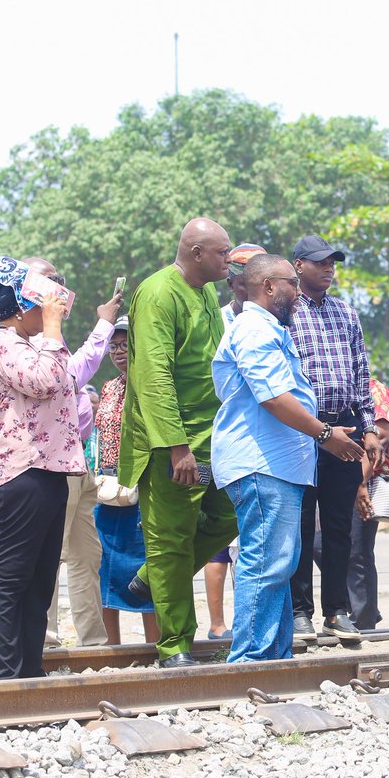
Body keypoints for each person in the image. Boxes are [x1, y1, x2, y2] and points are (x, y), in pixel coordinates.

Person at [212, 254, 363, 662]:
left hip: (277, 465)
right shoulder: (254, 329)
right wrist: (326, 435)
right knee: (266, 562)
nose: (299, 293)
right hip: (262, 464)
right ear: (269, 286)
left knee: (279, 562)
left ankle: (274, 658)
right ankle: (249, 662)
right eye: (292, 284)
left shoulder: (269, 329)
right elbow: (275, 399)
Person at [119, 218, 240, 668]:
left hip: (214, 440)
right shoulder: (157, 294)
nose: (229, 260)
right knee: (169, 540)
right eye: (222, 252)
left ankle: (153, 576)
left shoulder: (207, 291)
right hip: (173, 445)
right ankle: (175, 646)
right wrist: (176, 446)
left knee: (229, 515)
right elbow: (153, 377)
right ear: (196, 253)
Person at [0, 257, 85, 680]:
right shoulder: (0, 343)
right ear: (20, 305)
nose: (48, 311)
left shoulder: (26, 344)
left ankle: (29, 671)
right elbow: (45, 382)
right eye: (41, 303)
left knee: (38, 583)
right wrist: (53, 328)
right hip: (18, 474)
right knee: (10, 578)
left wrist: (51, 328)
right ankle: (6, 677)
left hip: (47, 472)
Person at [23, 257, 122, 649]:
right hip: (50, 463)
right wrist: (103, 324)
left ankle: (94, 643)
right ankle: (44, 640)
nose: (60, 289)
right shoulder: (27, 336)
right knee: (51, 556)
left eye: (60, 281)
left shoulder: (53, 334)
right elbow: (71, 378)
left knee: (86, 557)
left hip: (78, 462)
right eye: (51, 281)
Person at [287, 234, 380, 642]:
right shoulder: (285, 313)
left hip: (345, 429)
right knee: (302, 524)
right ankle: (300, 612)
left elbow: (361, 371)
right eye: (320, 262)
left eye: (333, 262)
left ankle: (337, 610)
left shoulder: (346, 313)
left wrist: (371, 426)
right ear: (298, 266)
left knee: (341, 526)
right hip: (303, 430)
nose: (329, 268)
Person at [203, 243, 268, 641]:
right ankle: (217, 625)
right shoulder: (220, 319)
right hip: (225, 435)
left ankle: (250, 626)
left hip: (264, 440)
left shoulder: (278, 318)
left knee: (255, 541)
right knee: (220, 539)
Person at [93, 316, 158, 645]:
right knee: (105, 569)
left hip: (142, 489)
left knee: (145, 569)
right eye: (113, 346)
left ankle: (154, 646)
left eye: (125, 344)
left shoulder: (151, 384)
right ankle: (111, 648)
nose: (119, 352)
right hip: (108, 490)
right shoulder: (109, 387)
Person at [346, 379, 389, 630]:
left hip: (362, 482)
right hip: (333, 481)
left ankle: (363, 619)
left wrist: (359, 483)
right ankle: (360, 608)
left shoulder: (371, 388)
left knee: (357, 550)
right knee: (322, 545)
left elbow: (380, 436)